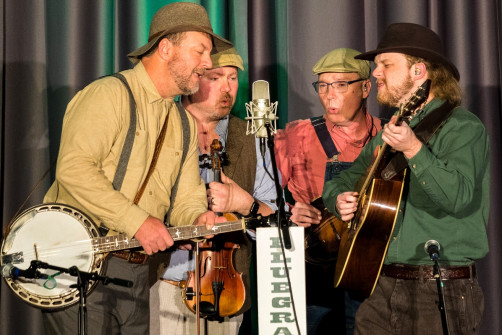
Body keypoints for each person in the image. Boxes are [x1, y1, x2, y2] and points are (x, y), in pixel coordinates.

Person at [41, 3, 234, 334]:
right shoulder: (107, 95)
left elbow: (187, 196)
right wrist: (138, 222)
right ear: (165, 48)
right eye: (200, 51)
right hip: (79, 260)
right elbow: (73, 169)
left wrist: (197, 217)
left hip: (135, 270)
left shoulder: (184, 124)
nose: (207, 64)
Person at [323, 23, 489, 334]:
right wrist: (338, 200)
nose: (375, 73)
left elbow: (458, 197)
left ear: (419, 72)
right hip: (381, 284)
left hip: (440, 290)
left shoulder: (464, 128)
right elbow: (343, 179)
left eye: (386, 64)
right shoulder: (391, 130)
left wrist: (413, 148)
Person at [149, 47, 277, 334]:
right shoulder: (159, 126)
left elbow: (276, 219)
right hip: (164, 282)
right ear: (192, 79)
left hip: (227, 287)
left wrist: (245, 203)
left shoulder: (251, 138)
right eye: (216, 77)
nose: (227, 88)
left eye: (232, 78)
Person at [274, 48, 383, 334]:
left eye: (340, 85)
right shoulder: (294, 135)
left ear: (365, 87)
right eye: (323, 85)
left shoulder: (388, 138)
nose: (329, 94)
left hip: (372, 276)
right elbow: (261, 197)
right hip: (315, 276)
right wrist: (287, 212)